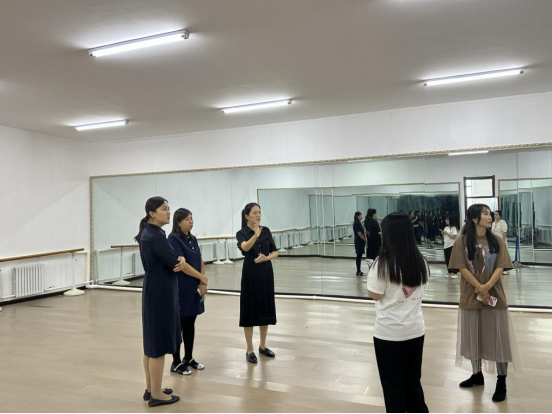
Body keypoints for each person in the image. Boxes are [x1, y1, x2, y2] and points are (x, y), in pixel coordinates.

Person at [449, 204, 521, 404]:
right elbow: (461, 267)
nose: (490, 217)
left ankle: (501, 381)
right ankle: (476, 374)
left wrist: (487, 286)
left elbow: (500, 266)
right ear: (474, 218)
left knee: (499, 339)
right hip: (471, 296)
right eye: (486, 214)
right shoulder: (462, 241)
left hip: (494, 296)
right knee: (474, 337)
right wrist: (480, 288)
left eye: (490, 214)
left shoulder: (496, 241)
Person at [368, 212, 430, 414]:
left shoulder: (381, 264)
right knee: (413, 382)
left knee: (393, 386)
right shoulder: (421, 261)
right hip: (415, 330)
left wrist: (371, 272)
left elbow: (375, 295)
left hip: (388, 333)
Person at [135, 197, 186, 408]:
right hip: (161, 292)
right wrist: (181, 260)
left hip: (153, 289)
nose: (168, 212)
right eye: (164, 209)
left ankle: (151, 388)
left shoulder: (149, 232)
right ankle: (156, 394)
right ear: (151, 213)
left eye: (168, 209)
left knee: (151, 345)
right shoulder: (155, 236)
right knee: (158, 346)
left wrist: (178, 260)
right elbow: (175, 262)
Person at [168, 208, 209, 376]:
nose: (191, 221)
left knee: (190, 323)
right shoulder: (173, 239)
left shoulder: (192, 238)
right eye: (187, 219)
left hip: (193, 287)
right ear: (178, 222)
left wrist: (202, 281)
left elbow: (199, 259)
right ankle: (176, 362)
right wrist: (201, 277)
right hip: (181, 287)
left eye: (192, 218)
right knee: (179, 324)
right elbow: (182, 266)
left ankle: (188, 358)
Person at [236, 203, 279, 364]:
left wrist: (266, 258)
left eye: (259, 212)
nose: (258, 215)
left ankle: (263, 345)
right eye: (254, 213)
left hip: (266, 272)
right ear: (247, 216)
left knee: (265, 308)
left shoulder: (266, 230)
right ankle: (249, 349)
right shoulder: (242, 233)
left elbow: (275, 252)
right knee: (249, 309)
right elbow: (245, 247)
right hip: (250, 273)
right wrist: (255, 235)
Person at [492, 210, 511, 275]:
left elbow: (504, 232)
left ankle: (505, 269)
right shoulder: (493, 223)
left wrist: (503, 241)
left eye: (496, 214)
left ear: (500, 216)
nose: (495, 216)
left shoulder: (503, 222)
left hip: (501, 241)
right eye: (494, 214)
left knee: (503, 255)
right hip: (495, 241)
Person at [353, 212, 368, 276]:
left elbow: (362, 231)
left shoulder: (359, 223)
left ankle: (359, 270)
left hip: (361, 241)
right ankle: (358, 271)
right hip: (359, 241)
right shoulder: (356, 223)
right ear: (357, 216)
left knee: (359, 256)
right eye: (360, 216)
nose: (361, 217)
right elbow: (359, 233)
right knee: (358, 256)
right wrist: (365, 239)